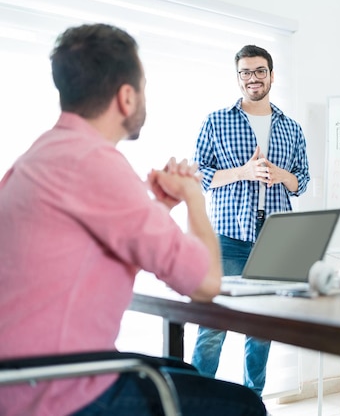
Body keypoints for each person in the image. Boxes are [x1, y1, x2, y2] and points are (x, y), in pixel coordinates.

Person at [0, 23, 266, 416]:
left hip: (19, 379)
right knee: (244, 405)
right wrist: (193, 195)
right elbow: (206, 284)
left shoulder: (36, 159)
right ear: (126, 96)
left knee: (187, 372)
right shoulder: (96, 163)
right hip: (59, 392)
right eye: (143, 86)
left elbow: (99, 247)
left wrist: (161, 208)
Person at [191, 44, 310, 397]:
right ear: (238, 77)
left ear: (272, 75)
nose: (253, 78)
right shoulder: (217, 121)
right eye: (245, 72)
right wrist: (244, 171)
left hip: (275, 237)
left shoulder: (291, 128)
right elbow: (199, 174)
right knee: (214, 324)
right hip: (228, 235)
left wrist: (280, 175)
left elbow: (301, 180)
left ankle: (253, 399)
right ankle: (198, 401)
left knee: (261, 326)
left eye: (260, 71)